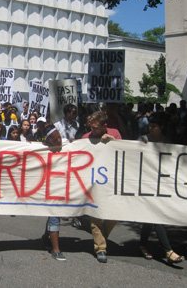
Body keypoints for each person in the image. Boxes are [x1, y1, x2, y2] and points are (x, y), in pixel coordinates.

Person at [137, 112, 184, 264]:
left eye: (154, 126)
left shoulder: (168, 142)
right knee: (155, 215)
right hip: (145, 184)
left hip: (161, 185)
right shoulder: (142, 140)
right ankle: (168, 250)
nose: (151, 129)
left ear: (162, 127)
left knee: (150, 218)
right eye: (150, 126)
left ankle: (143, 245)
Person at [82, 111, 120, 263]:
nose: (93, 130)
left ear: (105, 126)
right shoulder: (86, 138)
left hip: (111, 181)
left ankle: (101, 238)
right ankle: (101, 248)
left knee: (114, 214)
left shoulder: (115, 134)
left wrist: (113, 141)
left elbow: (125, 152)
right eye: (91, 127)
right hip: (93, 182)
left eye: (96, 128)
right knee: (95, 216)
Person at [39, 124, 66, 260]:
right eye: (54, 140)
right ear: (48, 141)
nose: (58, 141)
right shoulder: (41, 149)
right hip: (49, 187)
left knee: (55, 214)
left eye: (59, 137)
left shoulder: (68, 145)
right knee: (55, 213)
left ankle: (46, 237)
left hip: (63, 185)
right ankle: (56, 249)